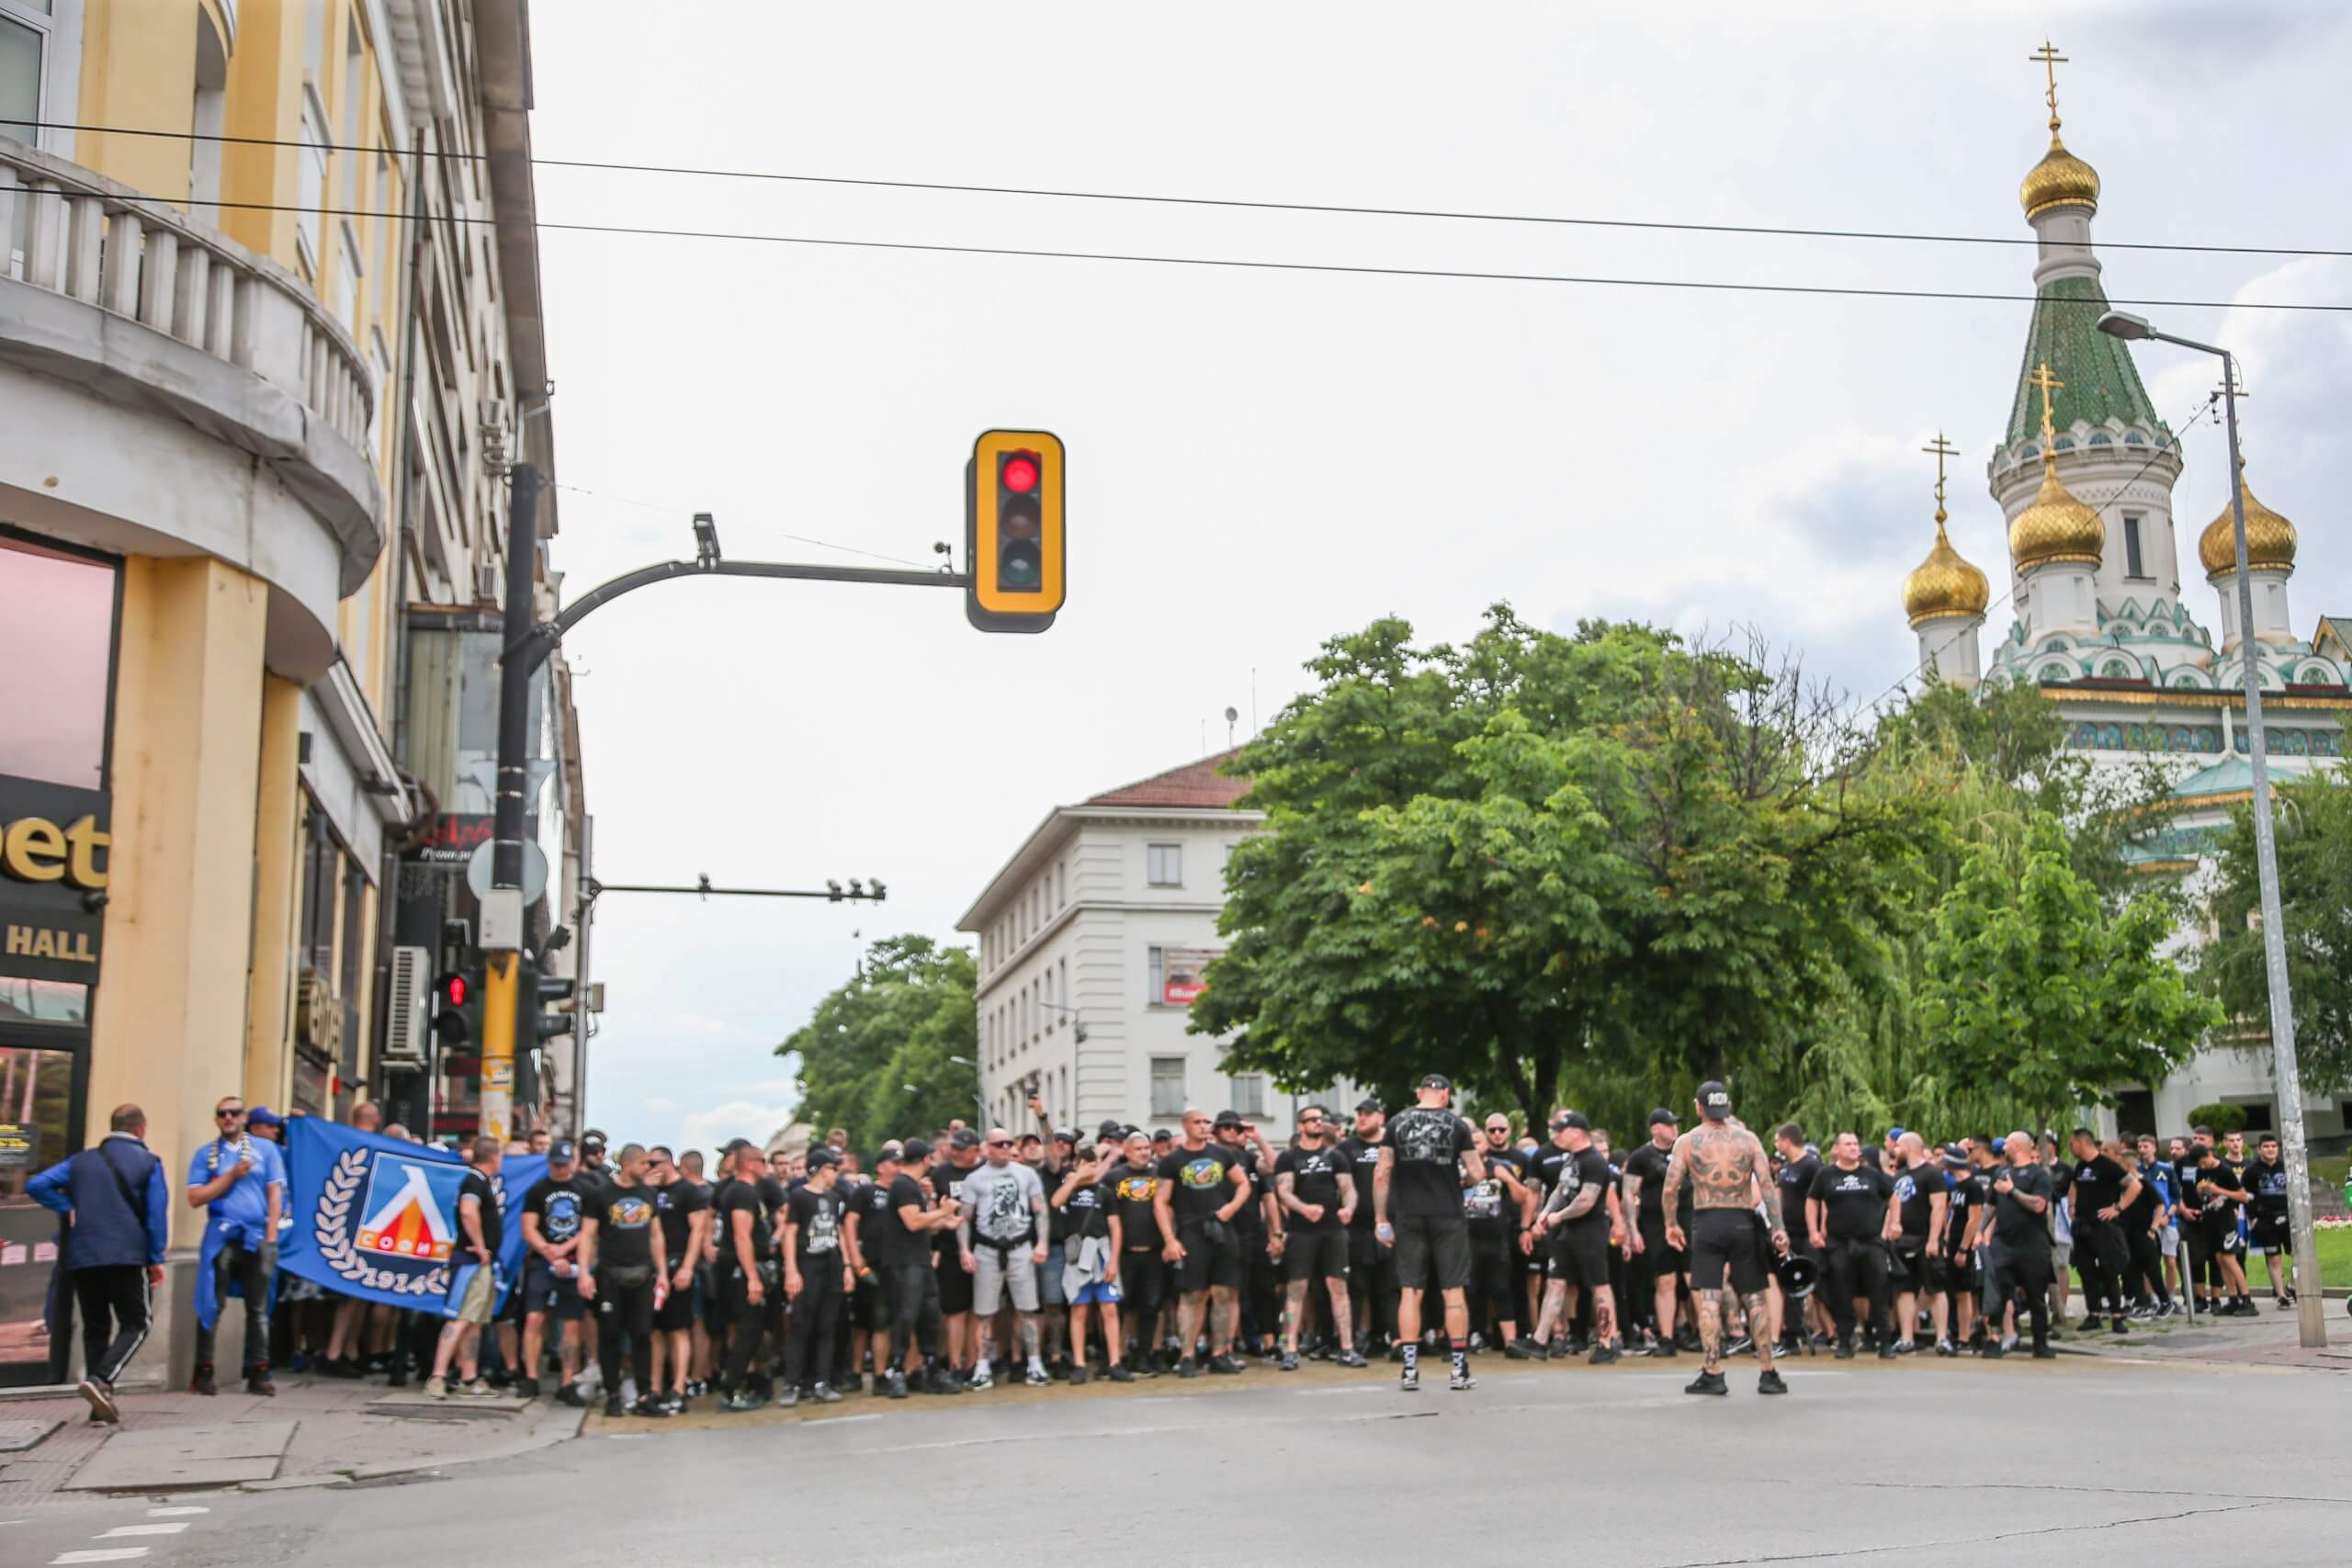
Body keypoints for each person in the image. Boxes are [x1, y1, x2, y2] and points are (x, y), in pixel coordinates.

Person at [27, 1103, 170, 1425]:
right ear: (140, 1129)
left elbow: (36, 1185)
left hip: (84, 1255)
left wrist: (68, 1206)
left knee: (95, 1328)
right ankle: (102, 1379)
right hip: (127, 1255)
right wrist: (156, 1258)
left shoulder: (81, 1161)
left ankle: (98, 1408)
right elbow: (156, 1215)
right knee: (137, 1322)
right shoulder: (148, 1162)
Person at [1660, 1082, 1789, 1397]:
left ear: (1698, 1107)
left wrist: (1670, 1224)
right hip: (1742, 1220)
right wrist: (1777, 1227)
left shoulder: (1688, 1141)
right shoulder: (1748, 1140)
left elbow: (1669, 1188)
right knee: (1755, 1296)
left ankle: (1713, 1372)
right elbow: (1767, 1185)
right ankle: (1768, 1372)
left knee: (1710, 1296)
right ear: (1727, 1107)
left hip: (1707, 1221)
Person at [1373, 1074, 1484, 1392]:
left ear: (1420, 1093)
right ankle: (1459, 1369)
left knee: (1411, 1290)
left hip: (1409, 1214)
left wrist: (1381, 1217)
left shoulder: (1396, 1123)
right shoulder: (1458, 1125)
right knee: (1453, 1291)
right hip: (1448, 1214)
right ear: (1446, 1094)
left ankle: (1409, 1368)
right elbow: (1478, 1172)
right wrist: (1458, 1183)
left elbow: (1382, 1172)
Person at [185, 1093, 285, 1396]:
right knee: (211, 1304)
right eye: (222, 1113)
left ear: (244, 1118)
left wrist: (271, 1235)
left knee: (258, 1307)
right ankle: (204, 1372)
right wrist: (230, 1175)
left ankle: (259, 1371)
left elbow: (275, 1193)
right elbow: (195, 1198)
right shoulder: (206, 1154)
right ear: (217, 1119)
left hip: (256, 1236)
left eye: (234, 1112)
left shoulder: (265, 1150)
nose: (228, 1117)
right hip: (221, 1235)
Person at [1152, 1109, 1252, 1377]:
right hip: (1191, 1231)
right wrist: (1170, 1239)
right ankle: (1187, 1355)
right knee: (1192, 1295)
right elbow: (1161, 1202)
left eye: (1205, 1122)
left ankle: (1220, 1353)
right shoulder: (1172, 1161)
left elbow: (1244, 1184)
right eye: (1197, 1122)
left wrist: (1231, 1208)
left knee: (1223, 1292)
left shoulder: (1222, 1154)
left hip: (1222, 1228)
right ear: (1184, 1125)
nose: (1202, 1126)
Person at [577, 1143, 669, 1418]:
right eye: (644, 1163)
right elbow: (588, 1235)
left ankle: (644, 1394)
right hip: (610, 1275)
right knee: (610, 1335)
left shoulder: (648, 1193)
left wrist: (662, 1272)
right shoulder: (601, 1193)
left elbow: (656, 1235)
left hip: (642, 1275)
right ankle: (613, 1395)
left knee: (642, 1334)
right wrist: (583, 1271)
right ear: (628, 1164)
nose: (648, 1169)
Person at [958, 1126, 1050, 1390]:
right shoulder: (975, 1179)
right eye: (999, 1144)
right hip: (987, 1250)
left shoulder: (1027, 1174)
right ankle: (982, 1367)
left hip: (1020, 1248)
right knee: (984, 1312)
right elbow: (964, 1218)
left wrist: (1041, 1242)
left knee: (1028, 1309)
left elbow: (1040, 1211)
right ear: (987, 1147)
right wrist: (965, 1249)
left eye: (1009, 1143)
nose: (1005, 1148)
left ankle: (1034, 1363)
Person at [1273, 1104, 1363, 1370]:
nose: (1317, 1123)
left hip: (1333, 1230)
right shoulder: (1289, 1157)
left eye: (1320, 1120)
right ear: (1300, 1126)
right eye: (1311, 1120)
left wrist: (1348, 1208)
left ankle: (1347, 1347)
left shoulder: (1335, 1157)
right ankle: (1290, 1349)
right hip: (1302, 1231)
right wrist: (1304, 1208)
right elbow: (1284, 1192)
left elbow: (1348, 1189)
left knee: (1339, 1287)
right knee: (1297, 1288)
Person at [1528, 1111, 1618, 1367]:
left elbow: (1587, 1200)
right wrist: (1545, 1213)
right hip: (1565, 1233)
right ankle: (1540, 1340)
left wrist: (1560, 1216)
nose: (1556, 1135)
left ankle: (1607, 1342)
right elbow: (1560, 1189)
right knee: (1555, 1282)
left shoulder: (1594, 1161)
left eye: (1561, 1130)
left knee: (1599, 1286)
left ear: (1577, 1132)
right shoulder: (1570, 1158)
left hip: (1590, 1232)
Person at [876, 1138, 961, 1397]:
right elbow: (912, 1222)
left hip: (920, 1260)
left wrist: (943, 1222)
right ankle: (896, 1371)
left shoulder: (912, 1186)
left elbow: (923, 1224)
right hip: (904, 1262)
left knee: (930, 1315)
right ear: (925, 1160)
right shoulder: (903, 1185)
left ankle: (931, 1368)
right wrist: (944, 1211)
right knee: (906, 1315)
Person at [426, 1136, 504, 1398]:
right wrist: (480, 1245)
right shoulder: (474, 1180)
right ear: (494, 1157)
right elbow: (468, 1211)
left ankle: (469, 1378)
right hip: (471, 1260)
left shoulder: (479, 1181)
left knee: (474, 1322)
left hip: (479, 1263)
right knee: (459, 1318)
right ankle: (437, 1376)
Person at [1808, 1132, 1895, 1359]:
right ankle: (1845, 1341)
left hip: (1871, 1241)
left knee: (1879, 1290)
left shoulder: (1871, 1174)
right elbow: (1812, 1200)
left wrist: (1894, 1224)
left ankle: (1884, 1342)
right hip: (1839, 1242)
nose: (1854, 1147)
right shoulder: (1826, 1175)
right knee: (1841, 1291)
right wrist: (1814, 1231)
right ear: (1836, 1149)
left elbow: (1893, 1197)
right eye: (1848, 1144)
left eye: (1856, 1143)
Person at [519, 1139, 594, 1404]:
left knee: (571, 1326)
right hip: (542, 1260)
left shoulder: (585, 1188)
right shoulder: (537, 1190)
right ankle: (530, 1377)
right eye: (556, 1164)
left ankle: (567, 1380)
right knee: (534, 1319)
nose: (560, 1170)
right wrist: (549, 1251)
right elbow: (528, 1228)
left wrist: (565, 1251)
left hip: (574, 1261)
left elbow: (588, 1229)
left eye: (564, 1164)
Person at [780, 1145, 852, 1406]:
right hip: (807, 1266)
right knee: (800, 1326)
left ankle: (823, 1381)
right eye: (833, 1168)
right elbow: (789, 1233)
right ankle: (793, 1383)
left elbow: (839, 1232)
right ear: (822, 1170)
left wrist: (846, 1267)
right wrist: (791, 1269)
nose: (837, 1174)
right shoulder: (799, 1196)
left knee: (827, 1326)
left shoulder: (834, 1199)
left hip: (831, 1265)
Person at [714, 1142, 779, 1410]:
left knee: (754, 1331)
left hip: (750, 1268)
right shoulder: (740, 1193)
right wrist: (752, 1277)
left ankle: (744, 1384)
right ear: (750, 1164)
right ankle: (731, 1390)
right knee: (747, 1331)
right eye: (763, 1161)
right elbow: (741, 1237)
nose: (767, 1167)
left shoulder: (748, 1192)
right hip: (742, 1272)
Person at [1463, 1111, 1533, 1355]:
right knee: (1470, 1290)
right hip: (1466, 1237)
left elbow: (1524, 1197)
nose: (1476, 1146)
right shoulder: (1459, 1169)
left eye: (1478, 1142)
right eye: (1471, 1143)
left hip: (1496, 1237)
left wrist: (1510, 1180)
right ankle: (1470, 1336)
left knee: (1502, 1288)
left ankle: (1511, 1342)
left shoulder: (1500, 1167)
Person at [1984, 1133, 2058, 1359]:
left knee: (2035, 1296)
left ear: (2016, 1146)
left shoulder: (2039, 1175)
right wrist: (1980, 1231)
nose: (2003, 1147)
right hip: (2004, 1243)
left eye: (2006, 1143)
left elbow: (2039, 1206)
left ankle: (2040, 1342)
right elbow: (1990, 1206)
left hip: (2032, 1244)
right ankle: (1994, 1340)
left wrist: (2012, 1192)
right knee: (1999, 1293)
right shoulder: (2001, 1173)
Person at [646, 1145, 708, 1412]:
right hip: (651, 1268)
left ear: (669, 1163)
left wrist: (687, 1266)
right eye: (647, 1163)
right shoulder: (649, 1191)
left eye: (656, 1163)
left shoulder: (688, 1191)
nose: (651, 1168)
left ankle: (679, 1386)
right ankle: (655, 1386)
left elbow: (698, 1231)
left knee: (679, 1328)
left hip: (678, 1262)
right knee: (655, 1330)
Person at [1621, 1108, 1687, 1357]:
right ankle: (1667, 1338)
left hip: (1688, 1220)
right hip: (1655, 1225)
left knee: (1695, 1281)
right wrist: (1632, 1230)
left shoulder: (1685, 1149)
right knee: (1665, 1280)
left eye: (1675, 1124)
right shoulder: (1641, 1156)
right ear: (1655, 1129)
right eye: (1668, 1125)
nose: (1674, 1129)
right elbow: (1629, 1194)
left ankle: (1706, 1334)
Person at [2062, 1127, 2139, 1336]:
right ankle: (2093, 1314)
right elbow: (2074, 1186)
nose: (2070, 1147)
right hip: (2082, 1225)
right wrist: (2072, 1205)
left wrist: (2118, 1208)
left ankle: (2117, 1315)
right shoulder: (2080, 1166)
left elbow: (2134, 1186)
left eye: (2072, 1143)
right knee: (2086, 1271)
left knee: (2109, 1271)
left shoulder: (2107, 1166)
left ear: (2082, 1142)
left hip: (2103, 1225)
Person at [1336, 1099, 1396, 1355]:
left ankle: (1395, 1338)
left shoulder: (1393, 1146)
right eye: (1359, 1114)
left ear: (1381, 1118)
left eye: (1368, 1114)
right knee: (1358, 1286)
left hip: (1391, 1226)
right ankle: (1355, 1340)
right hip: (1357, 1228)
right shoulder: (1346, 1148)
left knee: (1391, 1285)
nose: (1361, 1118)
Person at [1103, 1130, 1166, 1373]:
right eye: (1138, 1148)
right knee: (1121, 1306)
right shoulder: (1113, 1177)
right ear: (1127, 1151)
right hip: (1125, 1252)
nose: (1144, 1153)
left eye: (1146, 1148)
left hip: (1154, 1251)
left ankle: (1145, 1355)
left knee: (1151, 1306)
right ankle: (1117, 1356)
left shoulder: (1159, 1174)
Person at [1886, 1132, 1948, 1355]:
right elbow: (1892, 1206)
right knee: (1904, 1290)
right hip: (1902, 1241)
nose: (1894, 1151)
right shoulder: (1899, 1174)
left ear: (1908, 1147)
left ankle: (1942, 1339)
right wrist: (1888, 1231)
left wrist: (1934, 1239)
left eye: (1897, 1147)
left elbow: (1939, 1207)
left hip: (1925, 1240)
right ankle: (1906, 1338)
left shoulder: (1931, 1174)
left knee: (1935, 1288)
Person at [1770, 1122, 1824, 1355]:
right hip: (1789, 1231)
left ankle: (1835, 1329)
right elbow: (1779, 1198)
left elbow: (1820, 1199)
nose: (1775, 1145)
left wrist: (1819, 1229)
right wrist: (1777, 1227)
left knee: (1815, 1281)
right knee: (1790, 1281)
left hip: (1808, 1232)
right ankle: (1792, 1335)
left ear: (1787, 1141)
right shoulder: (1784, 1169)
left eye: (1777, 1140)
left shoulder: (1811, 1166)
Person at [2245, 1133, 2297, 1310]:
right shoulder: (2252, 1170)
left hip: (2287, 1218)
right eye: (2266, 1147)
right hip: (2265, 1220)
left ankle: (2292, 1285)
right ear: (2259, 1149)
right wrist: (2253, 1220)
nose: (2270, 1150)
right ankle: (2281, 1295)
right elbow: (2247, 1197)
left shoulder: (2286, 1166)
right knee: (2274, 1260)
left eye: (2273, 1146)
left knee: (2298, 1256)